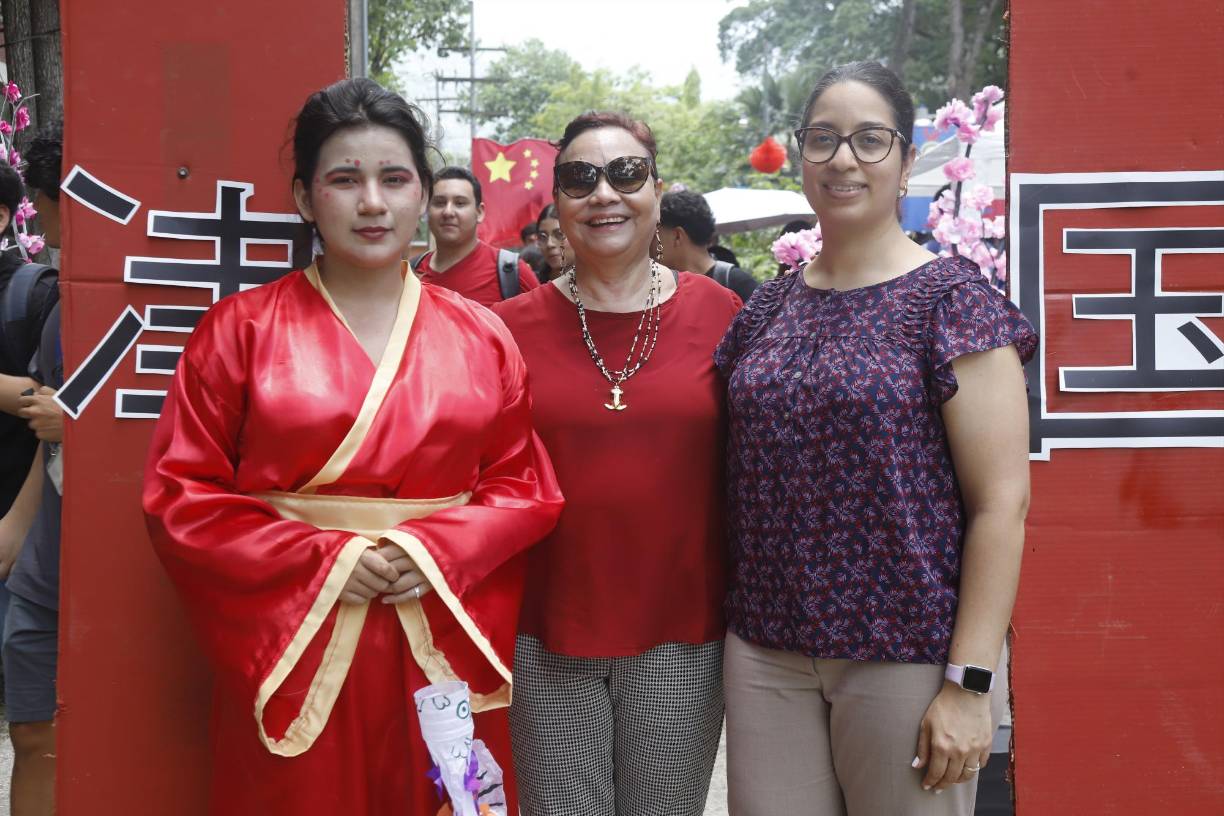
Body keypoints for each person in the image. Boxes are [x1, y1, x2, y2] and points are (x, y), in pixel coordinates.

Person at [142, 78, 563, 815]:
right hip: (294, 649)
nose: (373, 202)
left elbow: (523, 486)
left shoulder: (482, 334)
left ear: (424, 195)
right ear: (306, 198)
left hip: (439, 634)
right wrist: (331, 559)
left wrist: (431, 551)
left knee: (452, 799)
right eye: (345, 180)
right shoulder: (238, 332)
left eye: (394, 179)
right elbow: (182, 498)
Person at [716, 61, 1036, 816]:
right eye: (823, 139)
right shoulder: (764, 311)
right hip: (768, 652)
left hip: (908, 654)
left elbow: (1002, 504)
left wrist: (970, 684)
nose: (843, 160)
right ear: (800, 156)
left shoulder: (953, 303)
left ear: (905, 159)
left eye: (868, 140)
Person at [493, 111, 741, 816]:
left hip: (682, 632)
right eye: (580, 179)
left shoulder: (720, 314)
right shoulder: (504, 332)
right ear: (558, 206)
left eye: (626, 174)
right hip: (543, 632)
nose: (604, 194)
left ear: (658, 193)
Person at [0, 128, 63, 816]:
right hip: (35, 553)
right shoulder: (63, 305)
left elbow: (42, 408)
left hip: (94, 551)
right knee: (32, 730)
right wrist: (16, 531)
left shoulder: (35, 290)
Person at [415, 165, 539, 306]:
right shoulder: (411, 272)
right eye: (439, 203)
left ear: (479, 212)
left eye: (460, 203)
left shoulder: (512, 273)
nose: (448, 212)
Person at [658, 189, 758, 302]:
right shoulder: (663, 288)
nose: (648, 244)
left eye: (655, 235)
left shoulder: (739, 284)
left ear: (677, 236)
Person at [532, 202, 572, 282]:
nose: (549, 244)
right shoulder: (533, 285)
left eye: (559, 234)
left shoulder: (600, 285)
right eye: (542, 237)